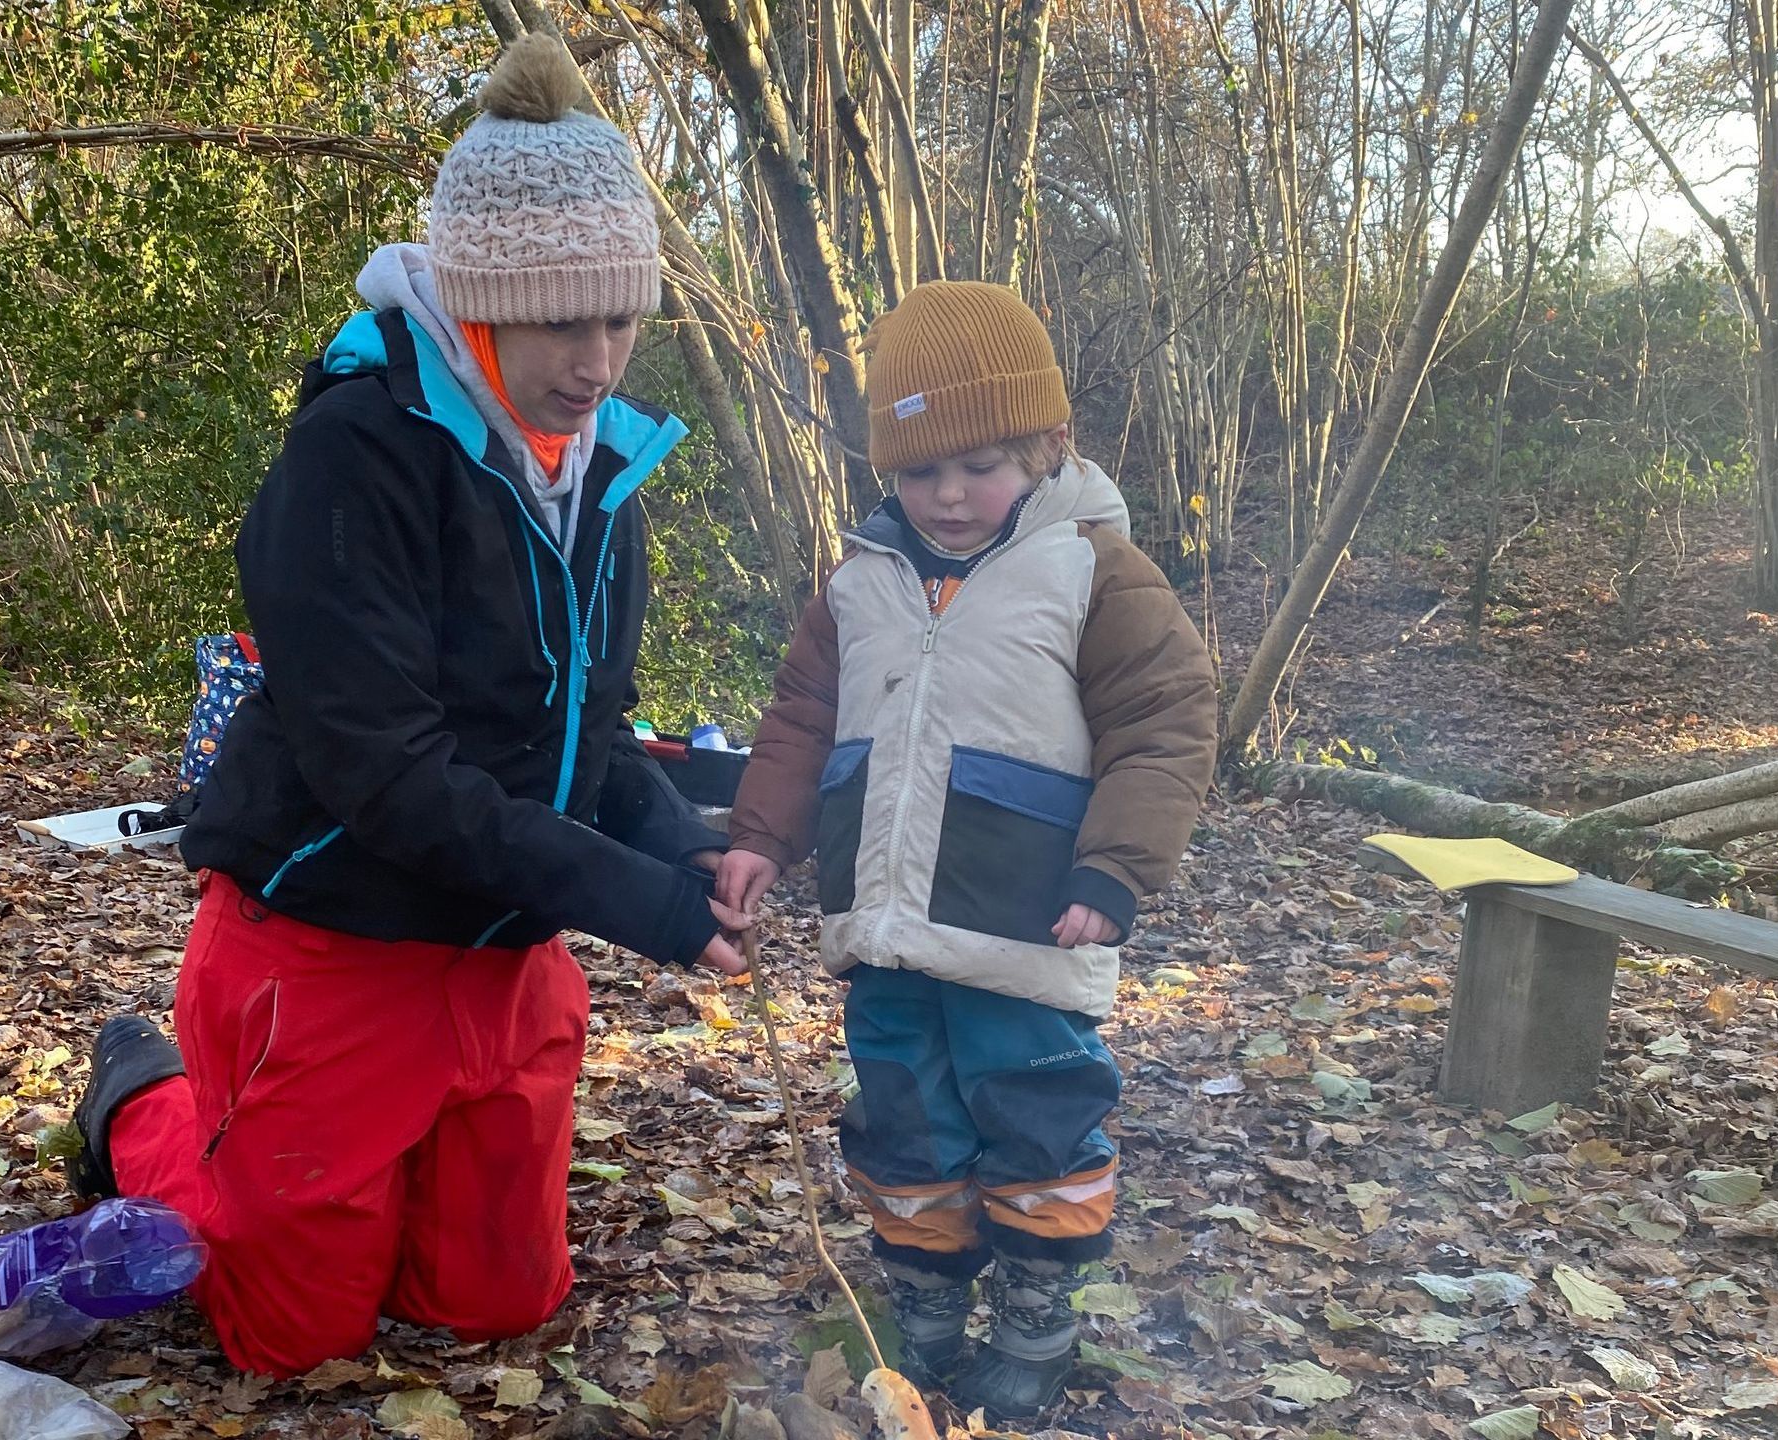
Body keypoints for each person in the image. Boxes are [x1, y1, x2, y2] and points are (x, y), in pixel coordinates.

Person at [65, 35, 747, 1379]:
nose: (597, 361)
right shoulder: (357, 453)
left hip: (501, 955)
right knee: (292, 1336)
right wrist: (649, 907)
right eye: (563, 320)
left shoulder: (603, 466)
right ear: (482, 300)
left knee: (497, 1306)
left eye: (618, 319)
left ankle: (392, 1164)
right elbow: (390, 777)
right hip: (327, 944)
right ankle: (142, 1095)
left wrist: (685, 850)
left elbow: (591, 733)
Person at [717, 281, 1217, 1417]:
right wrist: (759, 841)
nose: (948, 495)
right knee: (903, 1120)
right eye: (918, 471)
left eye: (980, 464)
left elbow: (1167, 722)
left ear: (1047, 447)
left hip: (1026, 926)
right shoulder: (859, 582)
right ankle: (926, 1305)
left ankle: (1036, 1316)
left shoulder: (1096, 571)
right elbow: (800, 720)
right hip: (886, 933)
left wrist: (1116, 871)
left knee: (1035, 1114)